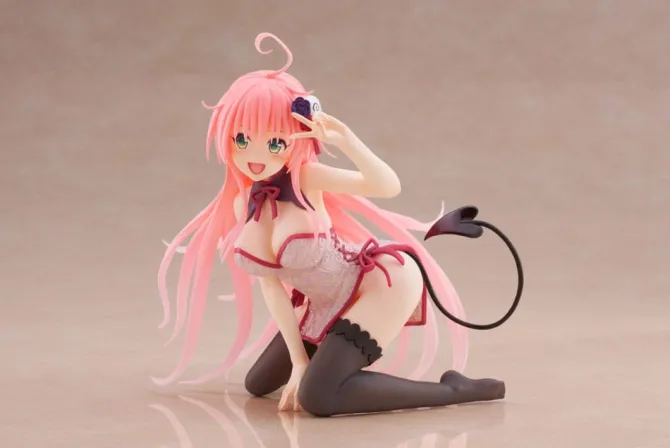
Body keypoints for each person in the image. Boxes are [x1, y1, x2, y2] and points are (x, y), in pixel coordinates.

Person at [153, 32, 523, 417]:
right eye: (242, 139)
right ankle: (324, 363)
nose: (255, 156)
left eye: (275, 143)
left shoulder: (306, 177)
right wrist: (298, 360)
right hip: (321, 300)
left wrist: (346, 141)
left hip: (376, 284)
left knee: (318, 397)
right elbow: (271, 286)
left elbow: (387, 186)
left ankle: (453, 391)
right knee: (258, 384)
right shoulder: (244, 200)